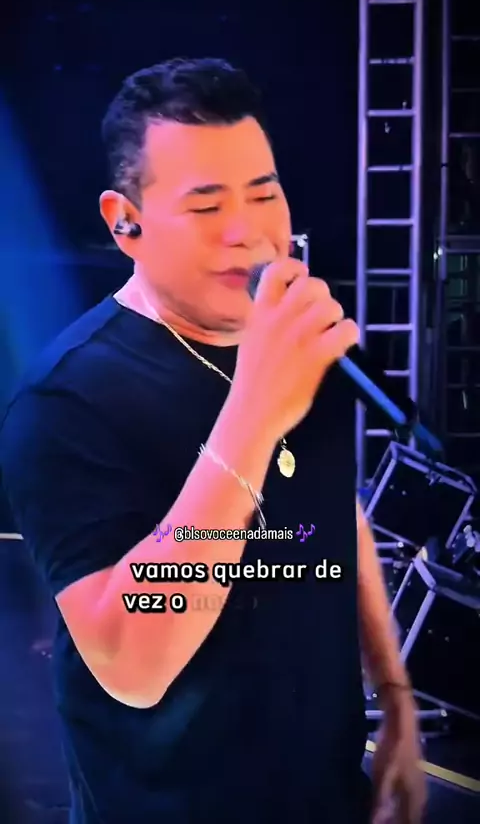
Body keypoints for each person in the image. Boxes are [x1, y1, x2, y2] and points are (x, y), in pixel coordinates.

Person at [0, 58, 426, 823]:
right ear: (124, 221)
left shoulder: (292, 341)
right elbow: (132, 664)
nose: (247, 231)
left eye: (263, 193)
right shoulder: (67, 398)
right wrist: (254, 410)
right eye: (206, 205)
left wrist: (393, 691)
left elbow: (335, 510)